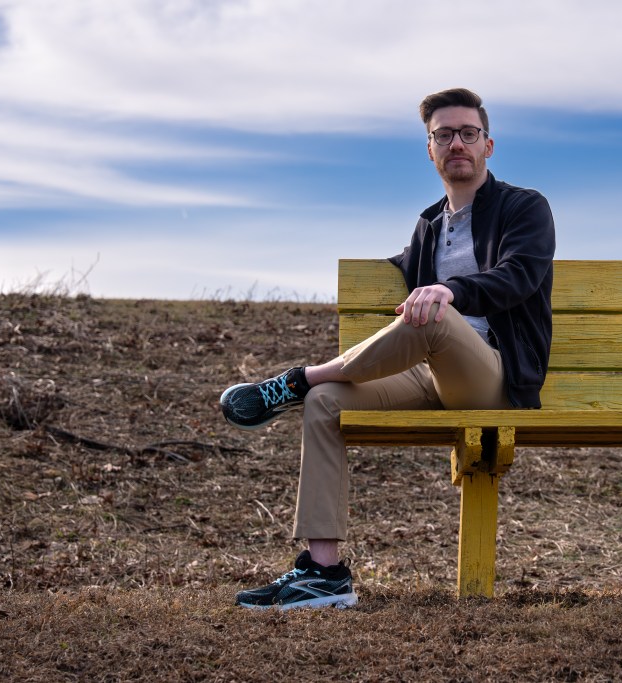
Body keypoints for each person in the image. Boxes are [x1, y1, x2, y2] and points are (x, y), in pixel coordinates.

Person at [221, 88, 556, 610]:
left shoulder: (524, 207)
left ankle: (299, 378)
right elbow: (403, 265)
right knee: (325, 402)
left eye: (468, 133)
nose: (456, 143)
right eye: (443, 135)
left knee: (431, 315)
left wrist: (448, 291)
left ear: (487, 145)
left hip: (494, 376)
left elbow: (518, 275)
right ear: (430, 149)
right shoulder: (429, 227)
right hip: (433, 373)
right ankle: (325, 573)